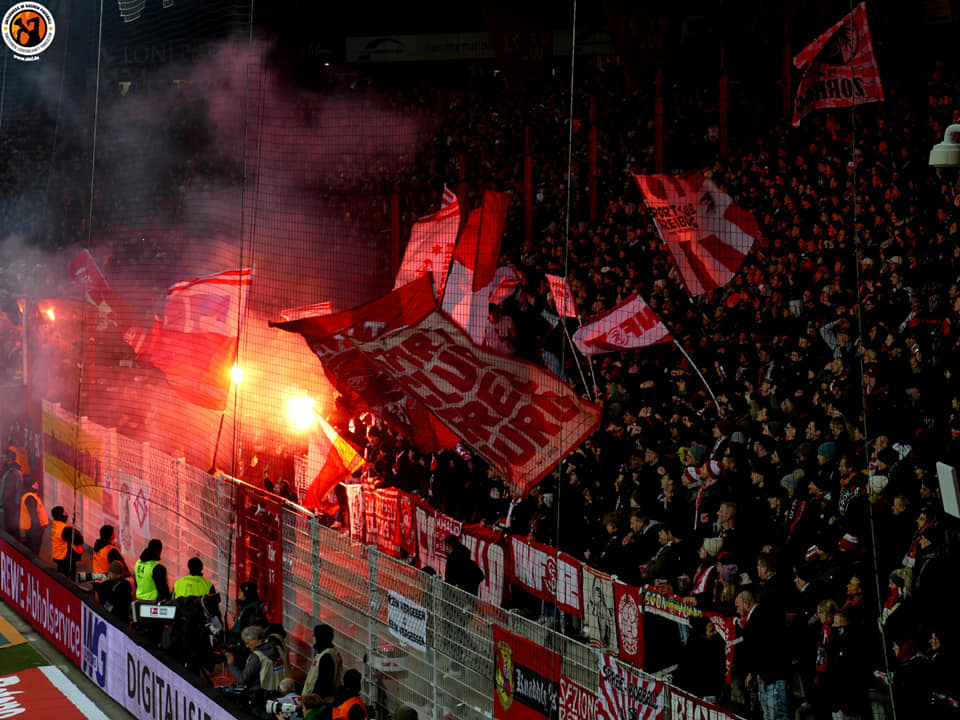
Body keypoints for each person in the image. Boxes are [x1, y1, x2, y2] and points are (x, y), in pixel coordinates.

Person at [225, 625, 284, 700]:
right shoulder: (276, 649)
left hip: (260, 697)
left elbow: (242, 679)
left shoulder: (257, 657)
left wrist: (231, 663)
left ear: (255, 640)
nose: (247, 646)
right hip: (279, 692)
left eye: (248, 643)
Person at [303, 624, 342, 703]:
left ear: (319, 637)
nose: (312, 637)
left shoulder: (326, 656)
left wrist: (313, 701)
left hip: (318, 703)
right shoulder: (328, 652)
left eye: (314, 635)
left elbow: (323, 683)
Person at [50, 506, 83, 579]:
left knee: (61, 574)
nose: (66, 513)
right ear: (60, 515)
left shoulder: (56, 525)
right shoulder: (64, 528)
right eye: (64, 512)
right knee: (68, 576)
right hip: (65, 557)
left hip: (58, 554)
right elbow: (78, 539)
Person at [18, 477, 47, 555]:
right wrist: (38, 528)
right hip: (34, 528)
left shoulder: (32, 496)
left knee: (33, 547)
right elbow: (33, 514)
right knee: (34, 549)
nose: (37, 484)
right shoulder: (30, 498)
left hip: (33, 527)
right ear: (31, 485)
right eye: (35, 483)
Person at [0, 447, 23, 536]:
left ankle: (13, 541)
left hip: (11, 504)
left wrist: (3, 502)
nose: (4, 459)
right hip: (12, 503)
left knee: (11, 526)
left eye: (6, 457)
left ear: (10, 459)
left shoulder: (12, 472)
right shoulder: (12, 469)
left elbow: (9, 490)